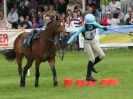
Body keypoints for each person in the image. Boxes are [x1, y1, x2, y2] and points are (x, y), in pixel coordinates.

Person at [66, 13, 107, 81]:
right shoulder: (83, 28)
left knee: (102, 55)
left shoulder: (94, 24)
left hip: (93, 41)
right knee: (92, 58)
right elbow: (75, 35)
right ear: (87, 23)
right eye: (90, 23)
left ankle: (92, 65)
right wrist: (68, 42)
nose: (91, 25)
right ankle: (88, 76)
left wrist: (104, 28)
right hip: (86, 42)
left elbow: (101, 26)